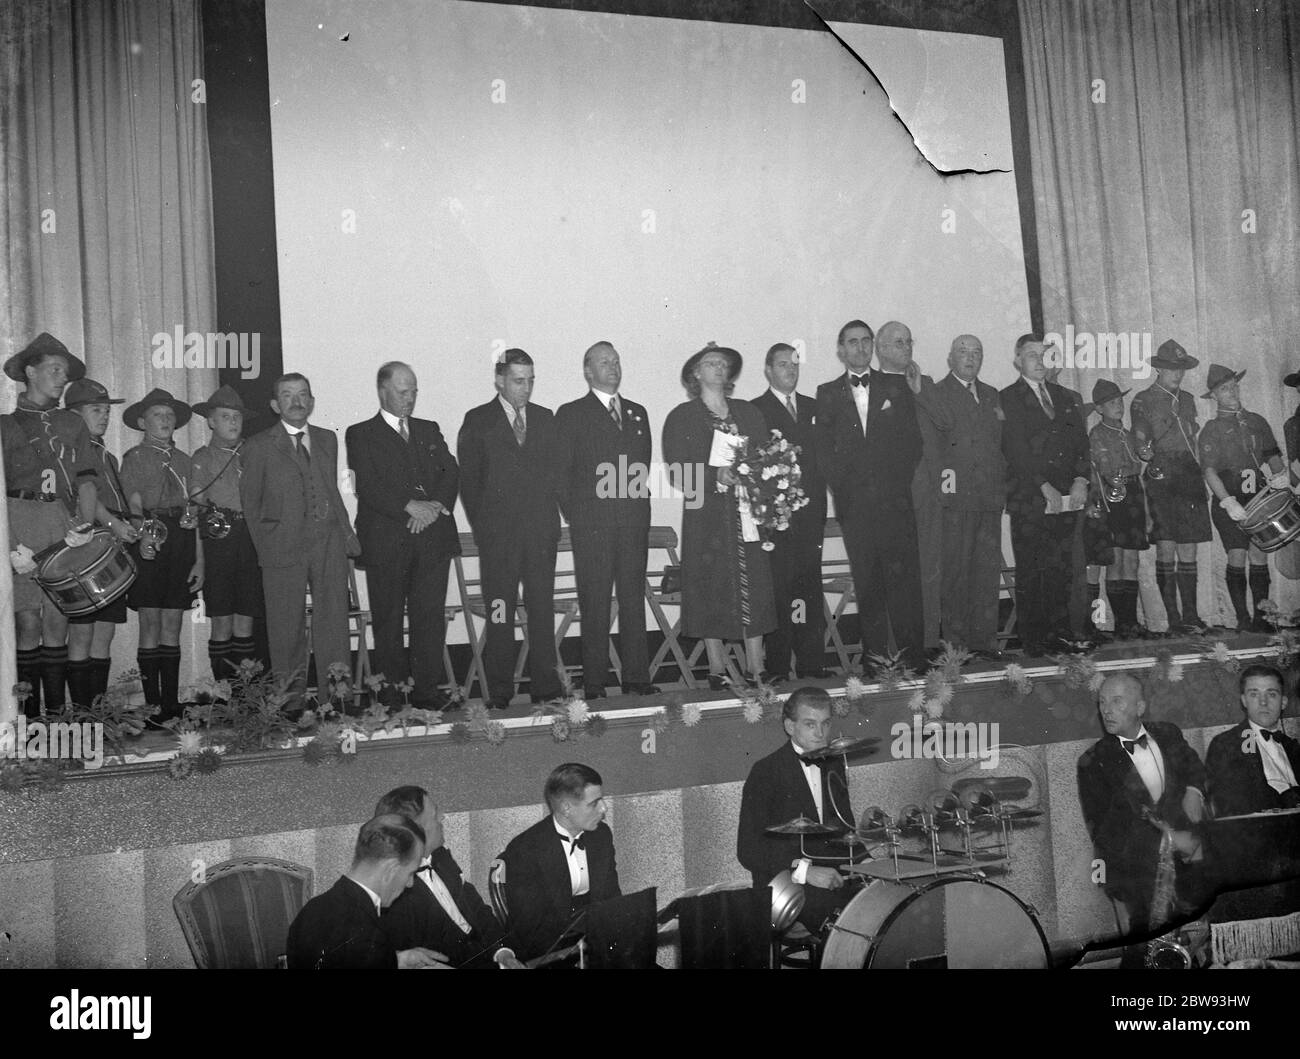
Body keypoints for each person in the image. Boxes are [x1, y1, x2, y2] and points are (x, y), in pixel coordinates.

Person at [346, 363, 461, 709]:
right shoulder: (360, 433)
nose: (409, 398)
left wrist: (435, 505)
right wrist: (410, 506)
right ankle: (392, 695)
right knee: (389, 619)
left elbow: (450, 471)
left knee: (429, 618)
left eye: (413, 391)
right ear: (383, 391)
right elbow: (366, 484)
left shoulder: (429, 429)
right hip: (387, 542)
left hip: (431, 541)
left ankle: (427, 692)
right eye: (402, 392)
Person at [241, 373, 360, 703]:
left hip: (327, 541)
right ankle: (290, 702)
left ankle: (336, 697)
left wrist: (346, 532)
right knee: (286, 626)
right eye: (288, 395)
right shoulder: (258, 445)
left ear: (312, 402)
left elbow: (331, 490)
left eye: (303, 394)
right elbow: (251, 503)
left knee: (334, 622)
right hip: (281, 547)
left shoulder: (326, 438)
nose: (297, 401)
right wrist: (266, 547)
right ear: (275, 404)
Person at [662, 344, 776, 687]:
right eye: (710, 363)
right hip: (706, 515)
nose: (718, 368)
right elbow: (676, 471)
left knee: (753, 581)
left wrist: (757, 475)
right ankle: (716, 667)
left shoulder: (749, 412)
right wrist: (715, 477)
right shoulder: (681, 416)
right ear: (695, 373)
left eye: (723, 364)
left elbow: (766, 458)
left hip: (745, 512)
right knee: (709, 583)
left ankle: (757, 665)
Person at [813, 321, 925, 671]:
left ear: (872, 347)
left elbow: (913, 443)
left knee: (905, 581)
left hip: (896, 503)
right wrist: (848, 489)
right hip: (855, 507)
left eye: (865, 342)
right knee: (868, 581)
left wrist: (892, 486)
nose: (860, 348)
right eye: (852, 343)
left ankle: (913, 658)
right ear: (841, 350)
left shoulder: (896, 385)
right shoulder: (827, 393)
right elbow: (824, 452)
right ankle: (875, 659)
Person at [456, 349, 564, 709]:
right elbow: (469, 483)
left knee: (541, 609)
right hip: (498, 539)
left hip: (539, 536)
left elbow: (557, 476)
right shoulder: (478, 420)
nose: (526, 388)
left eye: (531, 380)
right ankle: (500, 690)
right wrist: (485, 529)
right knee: (500, 610)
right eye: (519, 381)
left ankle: (546, 687)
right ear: (500, 380)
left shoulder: (546, 419)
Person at [1077, 673, 1207, 964]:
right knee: (1147, 952)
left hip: (1186, 862)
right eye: (1102, 702)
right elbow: (1105, 830)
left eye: (1116, 701)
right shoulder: (1093, 761)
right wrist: (1170, 841)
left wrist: (1194, 790)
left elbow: (1194, 766)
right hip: (1135, 869)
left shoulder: (1169, 733)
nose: (1106, 709)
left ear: (1140, 707)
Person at [2, 334, 101, 715]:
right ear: (30, 371)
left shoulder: (71, 423)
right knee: (27, 622)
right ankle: (27, 720)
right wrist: (9, 545)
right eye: (54, 370)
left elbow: (87, 479)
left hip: (62, 522)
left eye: (65, 372)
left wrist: (86, 526)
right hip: (18, 523)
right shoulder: (6, 426)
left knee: (58, 620)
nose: (62, 379)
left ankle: (59, 717)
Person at [555, 342, 659, 699]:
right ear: (588, 371)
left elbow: (641, 468)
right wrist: (581, 516)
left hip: (632, 520)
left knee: (632, 599)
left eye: (616, 361)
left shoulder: (637, 412)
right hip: (593, 525)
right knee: (595, 601)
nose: (613, 367)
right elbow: (561, 475)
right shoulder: (571, 414)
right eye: (604, 362)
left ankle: (636, 679)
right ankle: (596, 683)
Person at [999, 334, 1091, 656]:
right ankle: (1035, 642)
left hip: (1067, 498)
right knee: (1032, 569)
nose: (1039, 361)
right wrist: (1043, 485)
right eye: (1031, 355)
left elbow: (1081, 443)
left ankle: (1060, 633)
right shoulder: (1007, 398)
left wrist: (1081, 479)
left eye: (1044, 354)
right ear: (1017, 361)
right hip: (1030, 498)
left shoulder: (1064, 397)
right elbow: (1015, 449)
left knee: (1062, 567)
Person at [914, 334, 1005, 657]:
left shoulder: (993, 395)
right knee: (955, 575)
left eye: (977, 352)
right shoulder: (935, 393)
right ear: (950, 358)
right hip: (955, 500)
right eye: (963, 352)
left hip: (989, 499)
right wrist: (945, 492)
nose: (971, 357)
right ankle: (956, 646)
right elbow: (933, 450)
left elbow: (999, 448)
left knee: (985, 573)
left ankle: (985, 642)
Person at [737, 686, 853, 931]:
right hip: (784, 883)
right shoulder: (765, 772)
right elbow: (748, 850)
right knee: (847, 924)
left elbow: (844, 829)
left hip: (829, 875)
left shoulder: (833, 765)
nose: (821, 733)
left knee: (880, 901)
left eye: (825, 723)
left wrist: (867, 857)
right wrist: (806, 872)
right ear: (790, 727)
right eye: (810, 724)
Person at [120, 388, 203, 718]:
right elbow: (135, 503)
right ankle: (152, 704)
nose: (165, 420)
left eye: (169, 415)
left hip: (180, 540)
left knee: (173, 620)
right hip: (150, 535)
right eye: (157, 415)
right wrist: (142, 537)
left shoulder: (185, 461)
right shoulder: (134, 458)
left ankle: (171, 702)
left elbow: (194, 509)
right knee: (150, 619)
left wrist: (198, 557)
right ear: (142, 421)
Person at [749, 343, 829, 680]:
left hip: (811, 515)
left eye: (794, 364)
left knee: (808, 587)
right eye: (783, 364)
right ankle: (779, 665)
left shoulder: (814, 407)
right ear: (768, 370)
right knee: (779, 591)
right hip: (776, 518)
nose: (790, 370)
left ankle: (811, 662)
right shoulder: (755, 410)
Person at [61, 379, 140, 705]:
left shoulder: (107, 456)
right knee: (81, 631)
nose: (104, 416)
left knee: (104, 632)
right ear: (75, 415)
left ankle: (98, 711)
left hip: (110, 549)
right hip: (85, 547)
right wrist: (114, 523)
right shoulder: (73, 451)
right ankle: (81, 713)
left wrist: (128, 526)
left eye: (107, 411)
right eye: (96, 410)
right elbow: (84, 499)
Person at [372, 785, 513, 968]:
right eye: (435, 813)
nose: (442, 816)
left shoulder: (440, 857)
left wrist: (502, 953)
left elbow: (478, 910)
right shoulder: (393, 892)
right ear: (416, 830)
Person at [285, 814, 449, 969]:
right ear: (391, 870)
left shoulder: (315, 907)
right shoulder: (365, 933)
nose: (410, 884)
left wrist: (396, 960)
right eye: (410, 873)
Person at [1196, 364, 1289, 633]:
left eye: (1234, 386)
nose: (1232, 392)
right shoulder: (1211, 429)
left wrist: (1282, 477)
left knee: (1259, 556)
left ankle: (1262, 618)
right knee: (1237, 555)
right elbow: (1209, 471)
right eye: (1224, 389)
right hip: (1230, 499)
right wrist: (1226, 501)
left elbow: (1272, 455)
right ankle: (1242, 620)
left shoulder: (1257, 421)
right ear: (1213, 396)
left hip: (1259, 497)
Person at [499, 763, 621, 964]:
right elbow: (530, 929)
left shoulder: (601, 835)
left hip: (597, 946)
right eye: (595, 803)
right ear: (566, 808)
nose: (604, 808)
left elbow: (612, 898)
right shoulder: (524, 850)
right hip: (549, 954)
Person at [1129, 340, 1211, 635]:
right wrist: (1143, 450)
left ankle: (1191, 615)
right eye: (1171, 369)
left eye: (1181, 369)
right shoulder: (1143, 399)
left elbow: (1194, 440)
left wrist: (1202, 477)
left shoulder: (1187, 399)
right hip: (1162, 475)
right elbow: (1139, 435)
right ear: (1159, 369)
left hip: (1188, 475)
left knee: (1189, 546)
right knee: (1166, 546)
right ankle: (1173, 618)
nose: (1177, 374)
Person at [190, 385, 263, 680]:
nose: (233, 423)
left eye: (237, 417)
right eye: (225, 416)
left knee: (245, 620)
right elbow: (196, 495)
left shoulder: (255, 451)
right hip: (220, 538)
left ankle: (245, 695)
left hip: (251, 538)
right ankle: (223, 695)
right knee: (221, 621)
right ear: (211, 421)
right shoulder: (203, 456)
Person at [1085, 380, 1151, 640]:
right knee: (1116, 560)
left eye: (1119, 401)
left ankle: (1131, 622)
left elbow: (1141, 470)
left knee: (1132, 560)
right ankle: (1121, 623)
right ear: (1099, 409)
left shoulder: (1130, 434)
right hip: (1112, 497)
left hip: (1133, 494)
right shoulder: (1097, 434)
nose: (1117, 406)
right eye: (1111, 403)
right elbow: (1105, 471)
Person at [1206, 664, 1298, 818]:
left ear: (1283, 702)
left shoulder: (1293, 746)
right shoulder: (1228, 743)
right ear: (1244, 701)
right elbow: (1234, 804)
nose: (1263, 702)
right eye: (1254, 694)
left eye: (1272, 694)